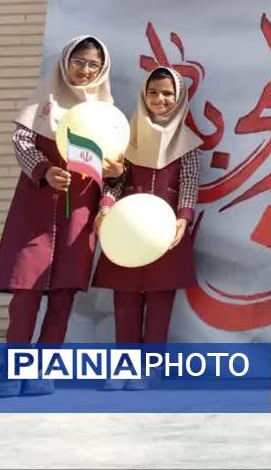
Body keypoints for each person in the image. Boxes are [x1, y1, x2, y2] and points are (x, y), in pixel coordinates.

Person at [0, 35, 124, 397]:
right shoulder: (42, 102)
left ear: (103, 70)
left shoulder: (109, 115)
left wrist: (112, 179)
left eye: (93, 64)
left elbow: (118, 174)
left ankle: (43, 372)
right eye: (78, 61)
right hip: (34, 211)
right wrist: (45, 170)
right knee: (25, 294)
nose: (85, 70)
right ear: (65, 62)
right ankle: (13, 372)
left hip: (78, 215)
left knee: (63, 295)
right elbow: (22, 144)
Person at [92, 66, 200, 390]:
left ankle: (151, 369)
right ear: (143, 95)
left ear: (179, 98)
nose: (159, 99)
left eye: (167, 93)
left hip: (167, 233)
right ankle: (123, 368)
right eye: (153, 92)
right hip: (126, 230)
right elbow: (115, 181)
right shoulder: (128, 136)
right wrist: (105, 207)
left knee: (159, 303)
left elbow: (189, 184)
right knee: (125, 300)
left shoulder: (187, 142)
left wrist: (183, 218)